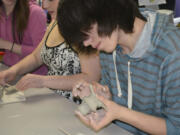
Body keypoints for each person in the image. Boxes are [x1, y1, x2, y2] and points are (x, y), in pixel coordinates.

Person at [57, 0, 180, 134]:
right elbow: (113, 98)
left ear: (107, 10)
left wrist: (120, 113)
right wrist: (98, 97)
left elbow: (176, 128)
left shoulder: (172, 52)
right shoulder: (109, 48)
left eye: (87, 30)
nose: (86, 43)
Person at [0, 0, 100, 104]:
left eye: (51, 0)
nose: (44, 5)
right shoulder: (55, 22)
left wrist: (43, 81)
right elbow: (36, 57)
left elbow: (91, 77)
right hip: (52, 101)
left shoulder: (82, 25)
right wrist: (13, 71)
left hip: (74, 107)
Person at [0, 0, 47, 74]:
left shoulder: (35, 13)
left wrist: (6, 45)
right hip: (6, 69)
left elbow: (42, 54)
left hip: (32, 76)